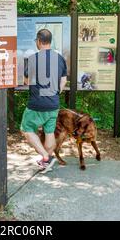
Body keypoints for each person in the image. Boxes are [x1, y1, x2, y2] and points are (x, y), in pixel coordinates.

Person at [21, 29, 68, 173]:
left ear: (39, 41)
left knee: (26, 129)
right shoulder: (60, 58)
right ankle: (47, 160)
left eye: (36, 41)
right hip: (53, 104)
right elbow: (63, 80)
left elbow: (27, 80)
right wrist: (56, 92)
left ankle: (45, 156)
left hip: (36, 104)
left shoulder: (33, 58)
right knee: (49, 132)